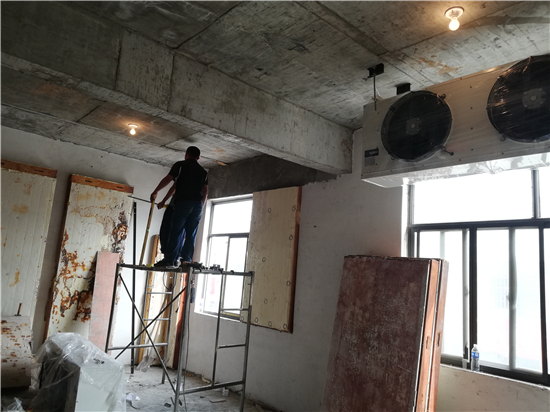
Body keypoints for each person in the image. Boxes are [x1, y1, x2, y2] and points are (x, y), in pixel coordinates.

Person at [150, 146, 208, 268]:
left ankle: (170, 260)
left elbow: (168, 180)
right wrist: (201, 206)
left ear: (186, 154)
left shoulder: (181, 165)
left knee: (176, 231)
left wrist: (156, 191)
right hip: (197, 205)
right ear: (198, 158)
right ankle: (186, 261)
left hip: (184, 202)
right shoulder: (203, 172)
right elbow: (205, 191)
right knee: (191, 233)